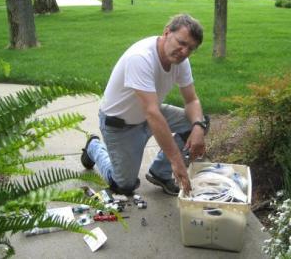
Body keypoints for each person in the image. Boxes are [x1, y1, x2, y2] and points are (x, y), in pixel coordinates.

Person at [81, 14, 209, 196]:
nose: (184, 51)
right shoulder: (140, 57)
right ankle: (94, 146)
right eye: (181, 42)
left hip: (149, 114)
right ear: (166, 33)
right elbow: (152, 112)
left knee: (199, 122)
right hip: (120, 124)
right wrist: (177, 161)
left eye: (190, 48)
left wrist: (198, 126)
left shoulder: (181, 62)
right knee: (124, 186)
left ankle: (160, 173)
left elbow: (192, 100)